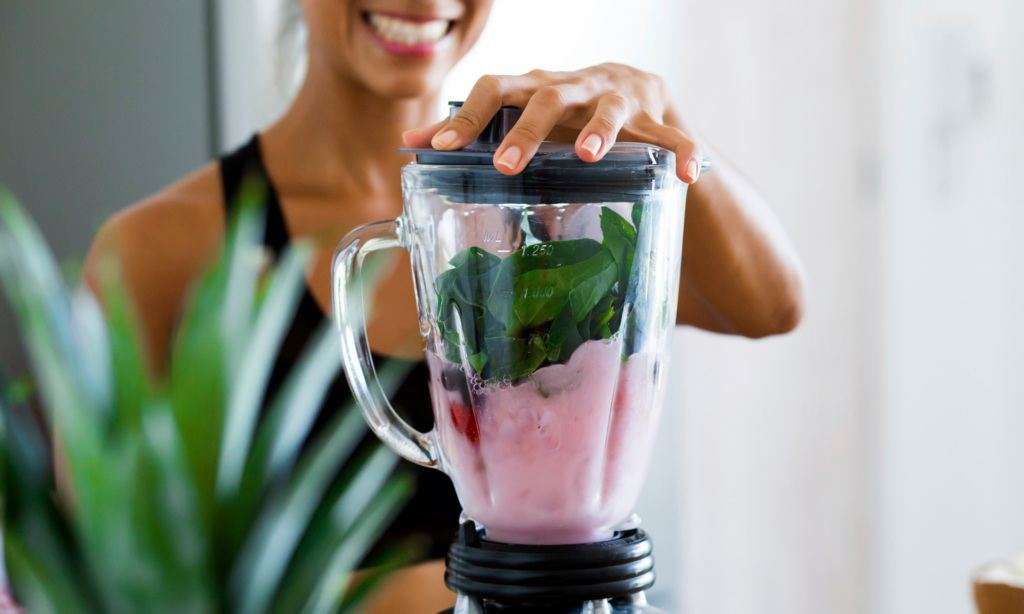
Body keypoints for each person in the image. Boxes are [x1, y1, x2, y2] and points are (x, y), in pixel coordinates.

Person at [85, 0, 806, 611]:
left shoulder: (556, 203)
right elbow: (120, 587)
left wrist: (659, 113)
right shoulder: (160, 250)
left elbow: (773, 305)